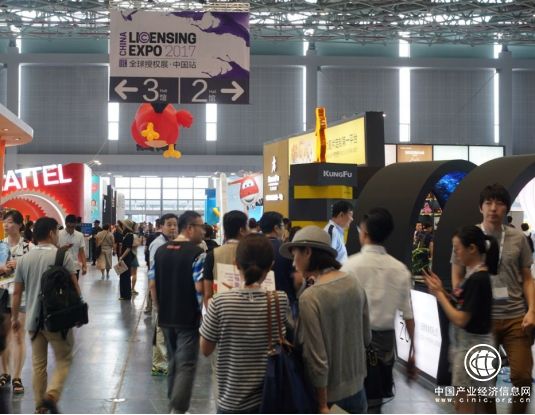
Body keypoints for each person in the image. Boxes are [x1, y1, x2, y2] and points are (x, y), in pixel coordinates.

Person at [451, 183, 534, 414]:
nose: (493, 208)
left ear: (506, 207)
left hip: (515, 316)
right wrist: (463, 301)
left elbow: (528, 278)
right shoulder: (468, 237)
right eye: (488, 203)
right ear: (481, 207)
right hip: (482, 321)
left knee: (522, 377)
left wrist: (532, 310)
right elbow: (457, 274)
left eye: (499, 203)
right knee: (484, 379)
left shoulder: (518, 238)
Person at [280, 226, 371, 414]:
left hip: (328, 397)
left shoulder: (311, 297)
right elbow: (366, 337)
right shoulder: (354, 282)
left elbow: (316, 358)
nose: (293, 264)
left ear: (307, 252)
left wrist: (322, 405)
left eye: (295, 255)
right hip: (359, 389)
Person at [200, 234, 290, 413]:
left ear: (236, 264)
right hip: (269, 398)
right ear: (271, 266)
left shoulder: (220, 302)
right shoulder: (280, 300)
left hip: (231, 401)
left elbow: (205, 349)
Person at [342, 208, 415, 413]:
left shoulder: (349, 266)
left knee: (352, 398)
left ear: (364, 232)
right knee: (376, 400)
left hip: (354, 341)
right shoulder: (400, 269)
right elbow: (408, 315)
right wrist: (413, 351)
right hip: (385, 345)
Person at [11, 217, 81, 414]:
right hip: (57, 319)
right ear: (51, 233)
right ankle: (51, 395)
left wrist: (15, 318)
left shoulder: (24, 259)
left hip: (33, 321)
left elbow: (16, 293)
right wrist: (79, 308)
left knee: (38, 366)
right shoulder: (62, 256)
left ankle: (39, 407)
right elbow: (74, 285)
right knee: (64, 359)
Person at [426, 225, 497, 413]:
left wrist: (439, 295)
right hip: (472, 348)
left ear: (472, 249)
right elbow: (462, 305)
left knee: (465, 405)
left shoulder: (478, 279)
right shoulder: (474, 277)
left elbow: (461, 319)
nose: (455, 254)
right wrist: (442, 291)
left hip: (471, 350)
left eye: (457, 249)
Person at [152, 210, 206, 413]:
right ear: (190, 228)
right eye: (201, 227)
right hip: (187, 317)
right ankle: (178, 408)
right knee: (187, 364)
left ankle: (172, 405)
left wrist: (158, 307)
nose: (204, 231)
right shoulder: (197, 253)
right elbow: (199, 287)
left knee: (174, 361)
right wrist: (203, 315)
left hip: (166, 316)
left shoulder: (161, 251)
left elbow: (152, 284)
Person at [0, 210, 32, 395]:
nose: (6, 225)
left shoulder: (29, 248)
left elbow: (37, 271)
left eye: (10, 222)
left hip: (21, 295)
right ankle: (4, 373)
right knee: (3, 336)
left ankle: (17, 376)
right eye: (4, 221)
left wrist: (20, 265)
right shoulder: (0, 246)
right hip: (2, 294)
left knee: (18, 334)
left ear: (20, 225)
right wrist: (2, 268)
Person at [147, 213, 179, 376]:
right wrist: (155, 298)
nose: (173, 228)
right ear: (161, 226)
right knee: (161, 328)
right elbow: (153, 272)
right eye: (169, 224)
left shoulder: (173, 244)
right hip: (161, 291)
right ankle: (159, 365)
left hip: (171, 291)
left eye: (175, 225)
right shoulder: (157, 244)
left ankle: (164, 361)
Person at [203, 210, 248, 304]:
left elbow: (208, 295)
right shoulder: (252, 252)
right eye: (247, 227)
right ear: (242, 230)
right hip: (249, 308)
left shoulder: (212, 254)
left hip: (220, 307)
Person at [259, 211, 297, 317]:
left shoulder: (253, 247)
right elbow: (297, 279)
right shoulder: (286, 250)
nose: (284, 229)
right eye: (282, 226)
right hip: (284, 302)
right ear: (276, 228)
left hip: (259, 301)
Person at [58, 214, 87, 280]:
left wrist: (84, 266)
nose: (70, 228)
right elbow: (54, 250)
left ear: (75, 224)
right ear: (65, 223)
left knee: (74, 285)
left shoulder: (80, 235)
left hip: (75, 267)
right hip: (61, 267)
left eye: (73, 226)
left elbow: (82, 252)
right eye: (69, 226)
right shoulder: (58, 234)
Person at [117, 220, 136, 300]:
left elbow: (128, 248)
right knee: (123, 276)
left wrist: (121, 257)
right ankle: (124, 295)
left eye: (124, 224)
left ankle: (126, 295)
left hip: (126, 258)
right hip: (125, 258)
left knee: (125, 276)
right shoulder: (126, 234)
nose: (122, 225)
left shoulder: (129, 235)